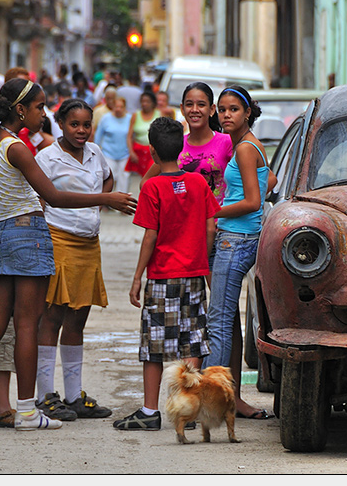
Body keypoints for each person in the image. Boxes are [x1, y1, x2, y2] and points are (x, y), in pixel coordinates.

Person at [0, 78, 137, 432]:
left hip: (1, 232)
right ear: (20, 110)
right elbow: (56, 197)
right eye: (38, 107)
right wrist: (105, 199)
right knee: (28, 324)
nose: (42, 113)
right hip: (28, 234)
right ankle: (28, 411)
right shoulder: (18, 148)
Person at [114, 117, 219, 430]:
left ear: (153, 153)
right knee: (193, 341)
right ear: (182, 147)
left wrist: (137, 278)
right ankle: (187, 408)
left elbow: (150, 235)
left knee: (155, 345)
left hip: (162, 277)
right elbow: (211, 225)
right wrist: (201, 255)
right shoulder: (199, 183)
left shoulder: (152, 187)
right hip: (194, 275)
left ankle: (149, 412)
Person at [33, 99, 115, 421]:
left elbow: (107, 179)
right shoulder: (47, 157)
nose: (81, 131)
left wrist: (100, 203)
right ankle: (45, 395)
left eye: (86, 124)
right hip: (58, 240)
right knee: (51, 316)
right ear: (61, 124)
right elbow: (37, 193)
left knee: (78, 318)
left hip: (88, 243)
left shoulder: (95, 153)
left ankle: (73, 394)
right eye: (74, 124)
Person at [204, 85, 276, 420]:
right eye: (222, 110)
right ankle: (227, 400)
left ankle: (208, 403)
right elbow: (270, 180)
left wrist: (211, 210)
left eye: (233, 109)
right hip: (238, 237)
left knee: (217, 322)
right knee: (226, 319)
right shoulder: (247, 147)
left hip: (237, 240)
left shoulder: (246, 149)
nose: (226, 115)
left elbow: (251, 201)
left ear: (248, 113)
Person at [141, 82, 233, 204]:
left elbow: (255, 181)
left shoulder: (227, 142)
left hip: (218, 221)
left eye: (201, 105)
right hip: (182, 222)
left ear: (211, 110)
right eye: (189, 104)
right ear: (182, 109)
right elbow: (145, 183)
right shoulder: (175, 143)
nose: (195, 110)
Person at [94, 96, 131, 195]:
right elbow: (98, 136)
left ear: (124, 108)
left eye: (121, 107)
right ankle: (107, 199)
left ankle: (122, 199)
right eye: (116, 106)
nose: (118, 109)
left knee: (124, 176)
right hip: (108, 152)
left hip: (125, 153)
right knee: (109, 176)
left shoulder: (130, 118)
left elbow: (132, 135)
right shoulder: (105, 119)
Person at [125, 90, 162, 181]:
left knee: (150, 176)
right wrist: (131, 152)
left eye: (147, 101)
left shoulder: (159, 114)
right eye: (143, 101)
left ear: (153, 103)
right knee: (140, 177)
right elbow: (129, 136)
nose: (144, 104)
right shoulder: (136, 115)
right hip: (138, 150)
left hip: (153, 151)